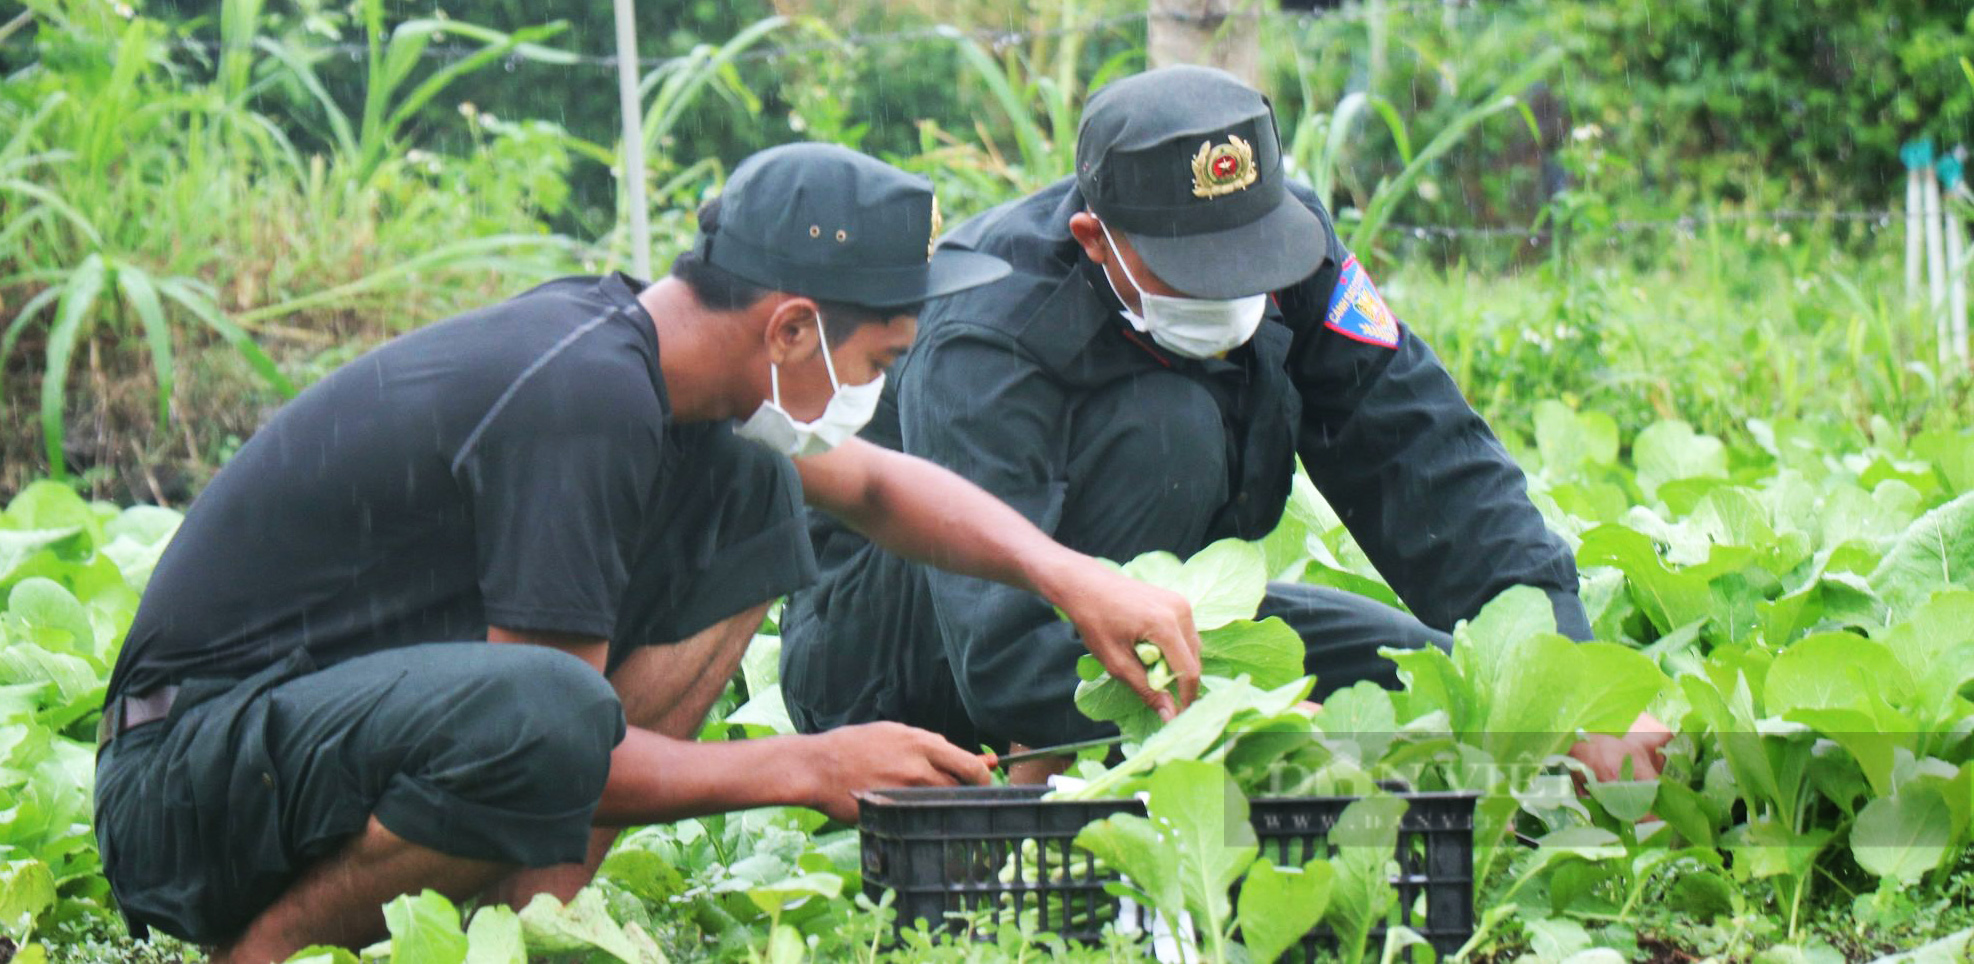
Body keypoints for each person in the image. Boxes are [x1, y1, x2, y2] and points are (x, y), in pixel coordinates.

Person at [93, 143, 1202, 963]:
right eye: (881, 357)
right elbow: (552, 732)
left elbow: (868, 487)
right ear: (791, 329)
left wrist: (1069, 575)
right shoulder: (582, 397)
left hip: (304, 739)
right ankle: (264, 957)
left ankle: (532, 930)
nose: (881, 390)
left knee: (751, 491)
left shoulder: (655, 370)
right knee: (544, 711)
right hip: (188, 782)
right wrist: (806, 766)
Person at [780, 66, 1669, 783]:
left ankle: (1145, 733)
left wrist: (1569, 690)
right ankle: (1064, 760)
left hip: (1152, 614)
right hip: (901, 662)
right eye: (1195, 269)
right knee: (1168, 426)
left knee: (1415, 670)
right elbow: (1000, 646)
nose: (1235, 287)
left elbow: (1421, 449)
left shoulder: (1295, 243)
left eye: (1253, 256)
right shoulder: (989, 325)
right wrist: (1246, 716)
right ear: (1095, 238)